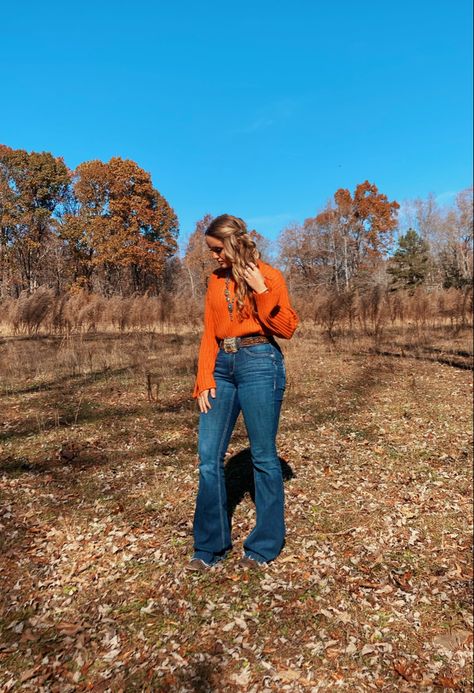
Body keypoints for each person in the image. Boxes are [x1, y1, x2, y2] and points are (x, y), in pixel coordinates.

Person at [188, 214, 299, 572]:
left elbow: (286, 328)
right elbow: (209, 332)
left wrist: (262, 292)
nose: (215, 257)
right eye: (212, 251)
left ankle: (265, 544)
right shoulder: (213, 281)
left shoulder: (270, 276)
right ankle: (209, 546)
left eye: (218, 249)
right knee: (208, 457)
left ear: (234, 243)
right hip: (222, 365)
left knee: (264, 456)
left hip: (260, 362)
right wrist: (203, 378)